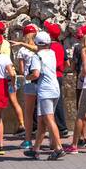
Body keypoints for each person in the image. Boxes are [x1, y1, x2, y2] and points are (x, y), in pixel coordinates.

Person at [24, 29, 66, 159]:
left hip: (45, 90)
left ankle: (58, 147)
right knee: (42, 120)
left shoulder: (37, 56)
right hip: (54, 88)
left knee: (48, 119)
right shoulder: (52, 53)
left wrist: (28, 77)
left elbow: (36, 74)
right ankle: (35, 148)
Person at [16, 24, 41, 150]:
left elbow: (21, 70)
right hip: (41, 82)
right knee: (43, 112)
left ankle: (27, 140)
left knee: (28, 113)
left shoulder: (22, 50)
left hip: (29, 82)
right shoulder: (39, 48)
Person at [44, 21, 69, 138]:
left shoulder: (49, 48)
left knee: (51, 103)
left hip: (50, 77)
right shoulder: (61, 46)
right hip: (59, 76)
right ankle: (62, 127)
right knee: (59, 102)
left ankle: (59, 127)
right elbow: (66, 63)